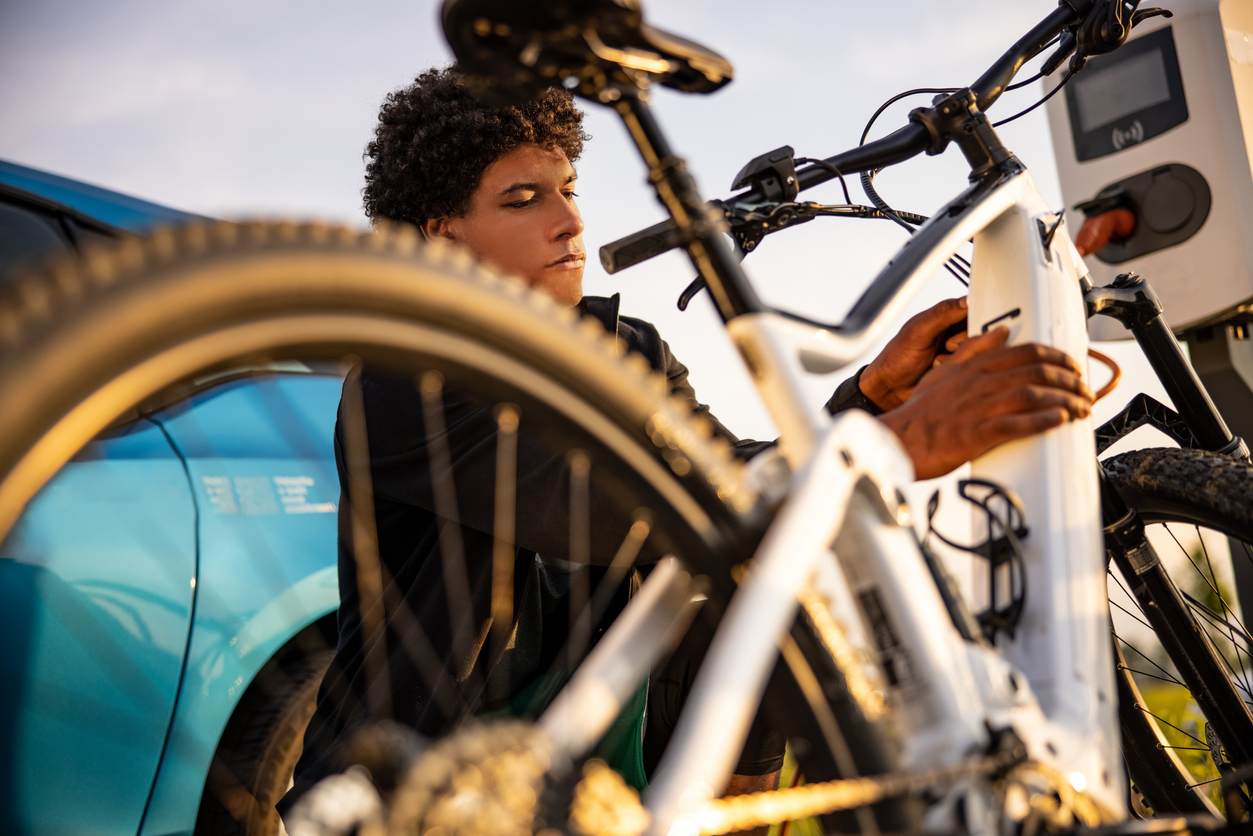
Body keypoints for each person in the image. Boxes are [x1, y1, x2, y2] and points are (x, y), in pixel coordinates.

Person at [280, 66, 1092, 817]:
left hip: (597, 760)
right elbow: (624, 507)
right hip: (424, 787)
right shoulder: (402, 377)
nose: (569, 221)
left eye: (568, 188)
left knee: (779, 588)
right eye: (524, 199)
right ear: (444, 233)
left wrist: (869, 398)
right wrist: (900, 439)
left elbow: (734, 477)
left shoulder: (626, 348)